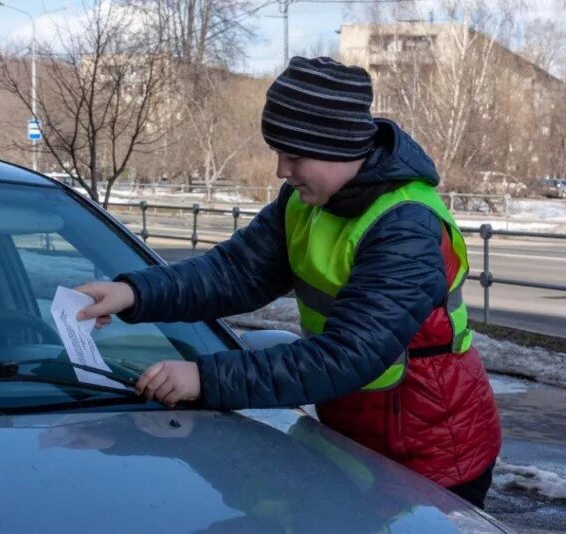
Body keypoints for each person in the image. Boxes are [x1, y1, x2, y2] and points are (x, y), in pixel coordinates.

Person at [76, 56, 501, 508]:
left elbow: (349, 354)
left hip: (431, 456)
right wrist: (132, 293)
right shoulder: (305, 201)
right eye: (278, 153)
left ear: (339, 146)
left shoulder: (406, 225)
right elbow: (235, 272)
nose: (281, 170)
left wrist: (206, 377)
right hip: (352, 439)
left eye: (294, 156)